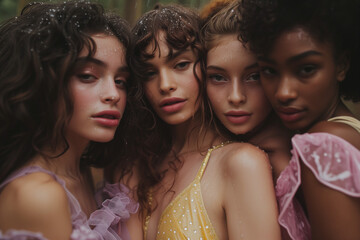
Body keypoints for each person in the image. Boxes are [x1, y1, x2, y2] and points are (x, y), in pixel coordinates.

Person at [109, 3, 281, 240]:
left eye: (181, 65)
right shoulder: (138, 168)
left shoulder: (241, 163)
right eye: (150, 73)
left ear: (205, 65)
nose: (165, 84)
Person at [0, 2, 137, 240]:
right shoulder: (37, 195)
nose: (113, 94)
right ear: (43, 81)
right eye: (88, 76)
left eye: (121, 80)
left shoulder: (90, 172)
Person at [238, 0, 360, 239]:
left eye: (306, 70)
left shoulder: (324, 145)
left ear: (342, 65)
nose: (284, 92)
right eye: (269, 71)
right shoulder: (349, 130)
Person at [201, 0, 293, 183]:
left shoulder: (292, 165)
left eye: (254, 77)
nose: (236, 97)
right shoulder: (193, 153)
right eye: (218, 78)